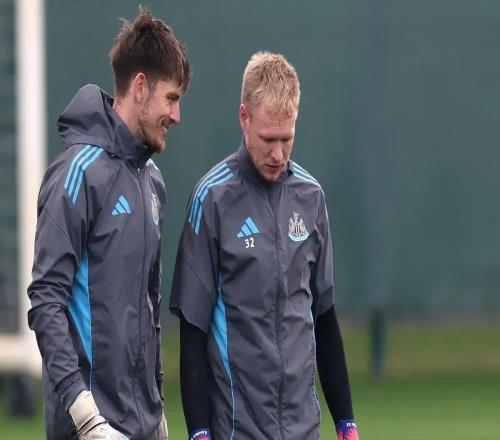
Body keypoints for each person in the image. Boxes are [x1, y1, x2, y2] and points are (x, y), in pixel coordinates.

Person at [170, 52, 359, 440]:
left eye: (286, 139)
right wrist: (199, 432)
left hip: (303, 430)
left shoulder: (311, 197)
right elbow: (192, 330)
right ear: (244, 118)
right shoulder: (212, 199)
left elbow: (323, 317)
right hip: (237, 430)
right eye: (268, 139)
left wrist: (346, 422)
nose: (278, 154)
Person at [27, 7, 190, 440]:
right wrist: (84, 414)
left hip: (144, 425)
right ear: (140, 87)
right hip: (86, 428)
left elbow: (149, 306)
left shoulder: (152, 182)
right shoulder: (76, 173)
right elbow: (46, 300)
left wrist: (156, 408)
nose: (177, 115)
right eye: (171, 98)